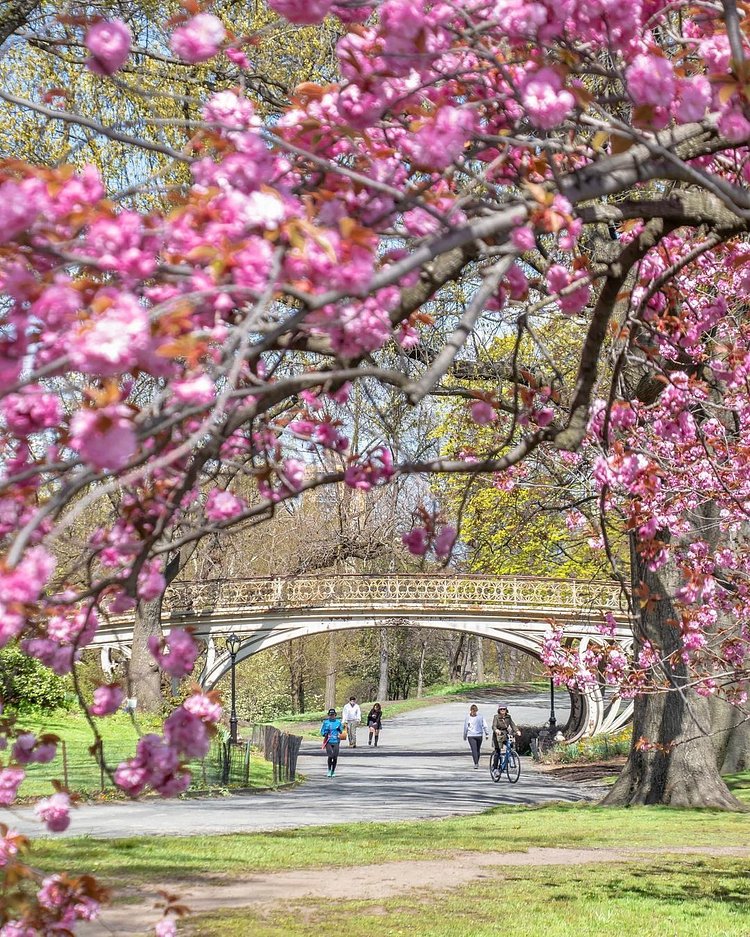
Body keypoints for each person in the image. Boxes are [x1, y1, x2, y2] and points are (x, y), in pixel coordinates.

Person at [320, 708, 345, 777]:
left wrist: (339, 729)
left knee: (335, 757)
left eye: (333, 715)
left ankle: (333, 771)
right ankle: (329, 770)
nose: (332, 716)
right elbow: (322, 731)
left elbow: (341, 732)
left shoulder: (338, 722)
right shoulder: (326, 722)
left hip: (336, 741)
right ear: (328, 715)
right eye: (330, 715)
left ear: (335, 715)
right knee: (330, 755)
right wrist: (325, 733)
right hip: (328, 741)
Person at [463, 704, 489, 768]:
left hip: (475, 735)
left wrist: (465, 735)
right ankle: (476, 762)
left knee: (476, 749)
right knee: (475, 749)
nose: (473, 712)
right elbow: (485, 726)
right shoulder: (478, 717)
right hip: (473, 735)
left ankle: (476, 762)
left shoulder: (478, 717)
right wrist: (487, 733)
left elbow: (466, 727)